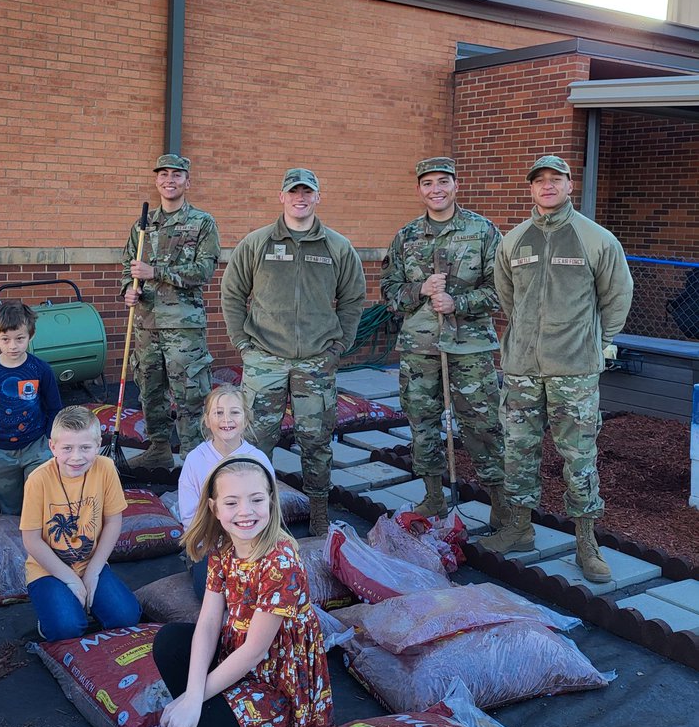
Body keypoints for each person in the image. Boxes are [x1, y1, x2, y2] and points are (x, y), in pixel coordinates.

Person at [482, 155, 634, 582]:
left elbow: (617, 294)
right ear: (531, 189)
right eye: (539, 181)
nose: (547, 187)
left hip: (575, 370)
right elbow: (507, 297)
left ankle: (586, 541)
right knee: (518, 451)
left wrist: (600, 343)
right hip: (522, 369)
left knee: (579, 457)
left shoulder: (595, 239)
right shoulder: (513, 242)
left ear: (569, 185)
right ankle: (519, 526)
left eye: (556, 179)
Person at [149, 456, 332, 727]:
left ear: (271, 501)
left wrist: (192, 699)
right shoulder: (222, 547)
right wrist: (193, 695)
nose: (245, 512)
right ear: (215, 508)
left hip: (276, 682)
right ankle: (203, 723)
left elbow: (254, 652)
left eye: (256, 500)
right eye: (232, 502)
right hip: (235, 655)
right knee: (171, 641)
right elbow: (207, 621)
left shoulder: (282, 564)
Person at [220, 168, 366, 536]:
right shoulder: (257, 243)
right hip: (264, 359)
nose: (300, 198)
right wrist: (243, 344)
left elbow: (353, 299)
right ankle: (258, 515)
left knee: (316, 441)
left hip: (316, 362)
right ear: (281, 197)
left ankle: (318, 512)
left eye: (307, 192)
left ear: (318, 197)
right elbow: (232, 293)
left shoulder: (337, 247)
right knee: (255, 442)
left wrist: (338, 348)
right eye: (293, 192)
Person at [381, 157, 505, 523]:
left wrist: (459, 302)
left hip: (470, 346)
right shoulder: (406, 237)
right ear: (419, 189)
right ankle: (433, 496)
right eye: (428, 183)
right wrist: (420, 289)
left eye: (443, 182)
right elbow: (389, 292)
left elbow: (502, 290)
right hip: (420, 347)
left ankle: (500, 505)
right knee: (422, 422)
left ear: (456, 185)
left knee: (481, 425)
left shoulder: (482, 231)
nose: (436, 189)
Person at [122, 154, 221, 470]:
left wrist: (157, 273)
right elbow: (129, 265)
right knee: (150, 391)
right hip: (146, 324)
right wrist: (129, 287)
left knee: (190, 395)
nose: (169, 180)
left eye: (176, 175)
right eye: (163, 174)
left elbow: (204, 271)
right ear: (156, 181)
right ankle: (159, 449)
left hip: (184, 327)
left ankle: (195, 460)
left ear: (187, 182)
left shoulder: (202, 223)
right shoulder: (143, 224)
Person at [19, 406, 140, 640]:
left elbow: (113, 521)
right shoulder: (38, 480)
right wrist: (71, 579)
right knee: (66, 628)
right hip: (48, 569)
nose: (76, 457)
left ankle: (88, 601)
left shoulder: (105, 468)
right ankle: (59, 611)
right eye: (67, 448)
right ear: (52, 447)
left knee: (127, 617)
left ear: (97, 445)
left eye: (85, 447)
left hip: (90, 561)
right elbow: (31, 539)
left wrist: (93, 571)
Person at [177, 384, 275, 598]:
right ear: (207, 420)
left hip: (252, 541)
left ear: (246, 419)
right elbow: (189, 515)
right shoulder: (195, 460)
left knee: (261, 588)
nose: (226, 420)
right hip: (210, 545)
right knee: (211, 592)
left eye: (234, 412)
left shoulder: (258, 459)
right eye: (218, 413)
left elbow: (269, 508)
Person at [0, 300, 63, 514]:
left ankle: (41, 541)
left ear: (30, 336)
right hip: (0, 452)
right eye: (5, 339)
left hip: (36, 447)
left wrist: (50, 438)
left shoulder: (41, 369)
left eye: (20, 339)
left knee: (38, 502)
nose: (13, 346)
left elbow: (54, 408)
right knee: (10, 508)